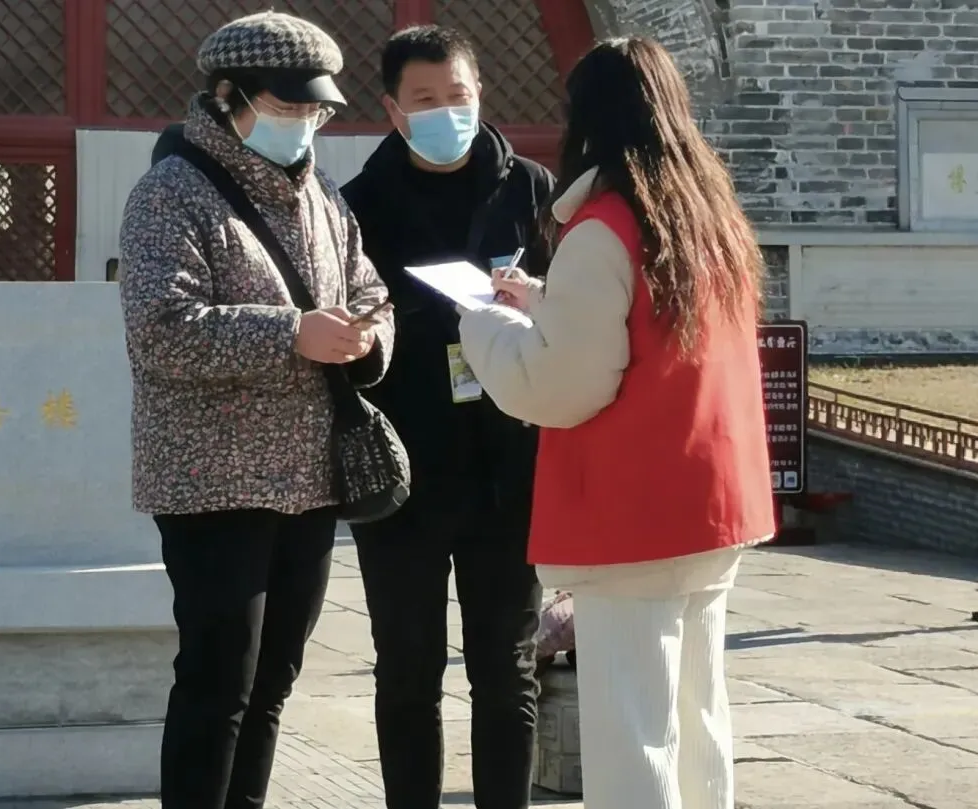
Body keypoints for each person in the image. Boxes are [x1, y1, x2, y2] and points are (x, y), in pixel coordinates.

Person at [458, 37, 776, 809]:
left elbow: (562, 385)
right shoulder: (706, 216)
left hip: (633, 511)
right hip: (713, 500)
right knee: (698, 716)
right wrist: (545, 301)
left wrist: (485, 325)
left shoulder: (603, 224)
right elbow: (650, 330)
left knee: (633, 731)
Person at [117, 12, 394, 809]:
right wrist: (292, 333)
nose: (303, 120)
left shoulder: (324, 195)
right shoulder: (169, 193)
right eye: (286, 105)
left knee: (274, 678)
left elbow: (371, 292)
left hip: (310, 476)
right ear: (226, 95)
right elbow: (161, 330)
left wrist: (368, 339)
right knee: (219, 677)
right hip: (210, 478)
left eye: (315, 108)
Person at [340, 25, 555, 809]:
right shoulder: (357, 205)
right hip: (404, 472)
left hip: (508, 464)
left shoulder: (530, 188)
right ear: (393, 110)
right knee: (407, 670)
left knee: (507, 669)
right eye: (425, 100)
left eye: (458, 96)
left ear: (480, 95)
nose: (446, 112)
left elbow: (569, 309)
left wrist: (530, 303)